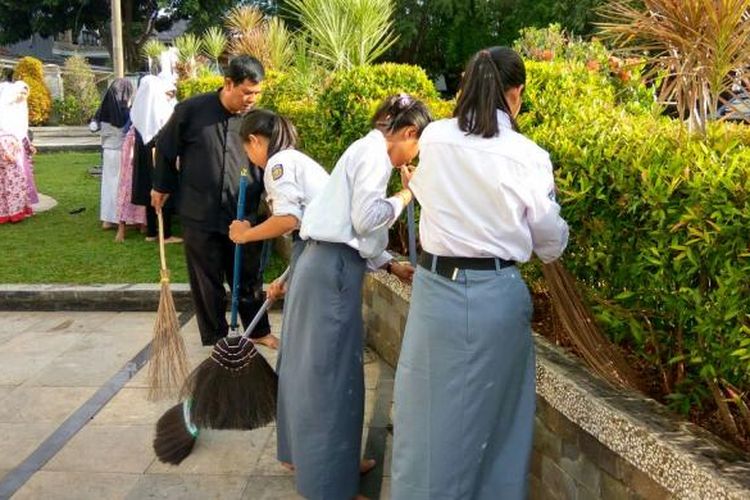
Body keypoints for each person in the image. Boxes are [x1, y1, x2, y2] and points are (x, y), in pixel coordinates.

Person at [390, 47, 569, 500]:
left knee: (425, 418)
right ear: (516, 93)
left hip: (435, 292)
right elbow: (549, 241)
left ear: (467, 86)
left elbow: (426, 190)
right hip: (496, 294)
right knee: (499, 421)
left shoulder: (435, 138)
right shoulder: (527, 155)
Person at [275, 94, 428, 500]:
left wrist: (389, 263)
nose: (413, 158)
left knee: (311, 370)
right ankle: (329, 485)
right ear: (409, 133)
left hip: (319, 263)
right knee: (332, 378)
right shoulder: (376, 155)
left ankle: (322, 463)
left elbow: (347, 222)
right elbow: (365, 219)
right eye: (418, 148)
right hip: (332, 272)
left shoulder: (363, 148)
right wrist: (406, 197)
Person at [151, 55, 275, 348]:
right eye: (247, 92)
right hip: (199, 211)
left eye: (257, 93)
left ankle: (258, 331)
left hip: (243, 213)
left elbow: (273, 159)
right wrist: (161, 186)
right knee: (205, 281)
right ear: (228, 83)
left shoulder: (259, 120)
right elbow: (165, 149)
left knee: (248, 275)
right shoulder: (191, 111)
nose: (251, 99)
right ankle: (216, 336)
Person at [227, 109, 327, 287]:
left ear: (254, 141)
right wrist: (286, 280)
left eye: (246, 151)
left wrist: (245, 235)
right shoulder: (293, 159)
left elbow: (287, 219)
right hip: (321, 249)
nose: (248, 157)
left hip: (322, 252)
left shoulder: (278, 163)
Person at [129, 75, 181, 244]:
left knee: (149, 190)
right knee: (161, 187)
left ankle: (152, 231)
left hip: (143, 152)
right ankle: (164, 234)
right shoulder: (159, 108)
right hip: (157, 153)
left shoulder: (139, 108)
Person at [96, 78, 134, 230]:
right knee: (122, 185)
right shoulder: (125, 111)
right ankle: (122, 217)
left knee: (108, 184)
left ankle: (107, 218)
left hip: (107, 150)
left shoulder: (103, 111)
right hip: (122, 152)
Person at [0, 80, 38, 207]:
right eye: (20, 93)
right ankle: (8, 209)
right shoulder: (4, 108)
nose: (22, 96)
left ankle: (19, 207)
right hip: (6, 148)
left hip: (18, 149)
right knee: (8, 179)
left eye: (25, 94)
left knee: (20, 178)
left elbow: (22, 131)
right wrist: (6, 148)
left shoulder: (20, 109)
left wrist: (29, 145)